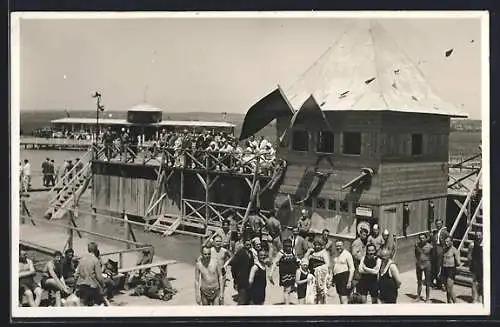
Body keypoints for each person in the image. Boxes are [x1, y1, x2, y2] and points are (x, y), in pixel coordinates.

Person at [74, 242, 106, 306]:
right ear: (96, 250)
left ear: (88, 250)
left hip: (81, 287)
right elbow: (99, 277)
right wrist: (103, 285)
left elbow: (76, 275)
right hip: (91, 288)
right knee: (102, 301)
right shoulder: (95, 260)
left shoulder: (82, 259)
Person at [225, 238, 254, 305]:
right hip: (241, 280)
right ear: (244, 244)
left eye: (250, 245)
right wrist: (235, 280)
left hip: (249, 280)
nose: (248, 246)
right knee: (242, 300)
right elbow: (233, 267)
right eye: (247, 244)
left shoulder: (250, 253)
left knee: (248, 300)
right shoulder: (240, 253)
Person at [269, 239, 297, 304]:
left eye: (290, 246)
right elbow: (274, 263)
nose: (288, 248)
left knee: (290, 289)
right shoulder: (281, 253)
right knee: (287, 290)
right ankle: (286, 305)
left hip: (293, 273)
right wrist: (270, 274)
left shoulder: (293, 251)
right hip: (285, 274)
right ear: (283, 246)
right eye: (286, 246)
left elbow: (296, 260)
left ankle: (287, 302)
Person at [304, 239, 331, 304]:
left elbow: (328, 264)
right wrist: (308, 251)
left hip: (321, 275)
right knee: (312, 292)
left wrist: (319, 269)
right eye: (316, 245)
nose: (317, 246)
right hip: (312, 275)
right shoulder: (312, 253)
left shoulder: (324, 253)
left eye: (319, 245)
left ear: (321, 246)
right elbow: (304, 260)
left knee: (321, 292)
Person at [442, 236, 461, 303]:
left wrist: (455, 262)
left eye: (447, 241)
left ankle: (455, 303)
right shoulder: (444, 249)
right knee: (447, 288)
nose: (446, 243)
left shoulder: (454, 250)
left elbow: (458, 263)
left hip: (451, 270)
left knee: (449, 288)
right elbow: (442, 261)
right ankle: (449, 302)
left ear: (451, 242)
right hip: (444, 269)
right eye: (445, 241)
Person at [415, 233, 433, 302]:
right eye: (420, 238)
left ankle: (427, 298)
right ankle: (418, 296)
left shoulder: (430, 246)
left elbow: (432, 256)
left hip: (427, 264)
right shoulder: (417, 245)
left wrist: (427, 261)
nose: (421, 239)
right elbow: (416, 254)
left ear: (426, 238)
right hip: (419, 263)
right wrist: (419, 262)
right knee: (419, 281)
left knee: (427, 282)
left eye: (423, 238)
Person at [431, 219, 449, 289]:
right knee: (435, 266)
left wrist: (445, 249)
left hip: (441, 249)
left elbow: (449, 240)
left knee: (440, 266)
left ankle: (441, 283)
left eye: (439, 224)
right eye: (437, 224)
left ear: (442, 224)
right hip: (435, 249)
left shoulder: (445, 232)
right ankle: (437, 283)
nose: (438, 225)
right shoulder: (435, 232)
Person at [468, 231, 483, 303]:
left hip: (483, 264)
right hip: (475, 263)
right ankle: (474, 298)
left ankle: (479, 297)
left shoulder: (485, 243)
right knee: (474, 281)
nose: (478, 237)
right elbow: (469, 256)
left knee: (481, 282)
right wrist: (470, 265)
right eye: (477, 235)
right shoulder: (472, 244)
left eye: (480, 235)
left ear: (482, 235)